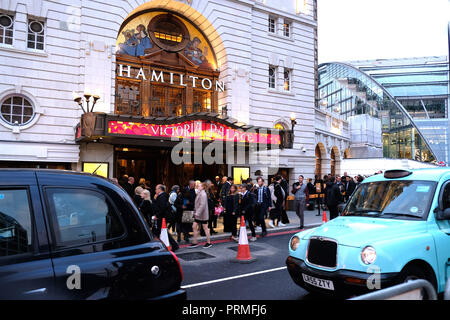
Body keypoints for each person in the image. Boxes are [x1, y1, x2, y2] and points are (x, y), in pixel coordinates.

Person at [152, 184, 179, 251]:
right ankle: (174, 245)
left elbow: (162, 208)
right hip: (162, 216)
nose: (155, 190)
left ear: (160, 189)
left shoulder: (162, 196)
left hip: (162, 217)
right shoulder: (161, 196)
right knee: (161, 231)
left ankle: (157, 247)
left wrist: (157, 215)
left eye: (156, 189)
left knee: (158, 232)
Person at [189, 182, 212, 248]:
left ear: (203, 187)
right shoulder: (200, 193)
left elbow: (202, 205)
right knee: (194, 226)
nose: (197, 187)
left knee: (205, 228)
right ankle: (195, 242)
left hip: (202, 214)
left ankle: (208, 242)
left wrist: (197, 213)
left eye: (199, 186)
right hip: (199, 214)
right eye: (197, 186)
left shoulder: (203, 194)